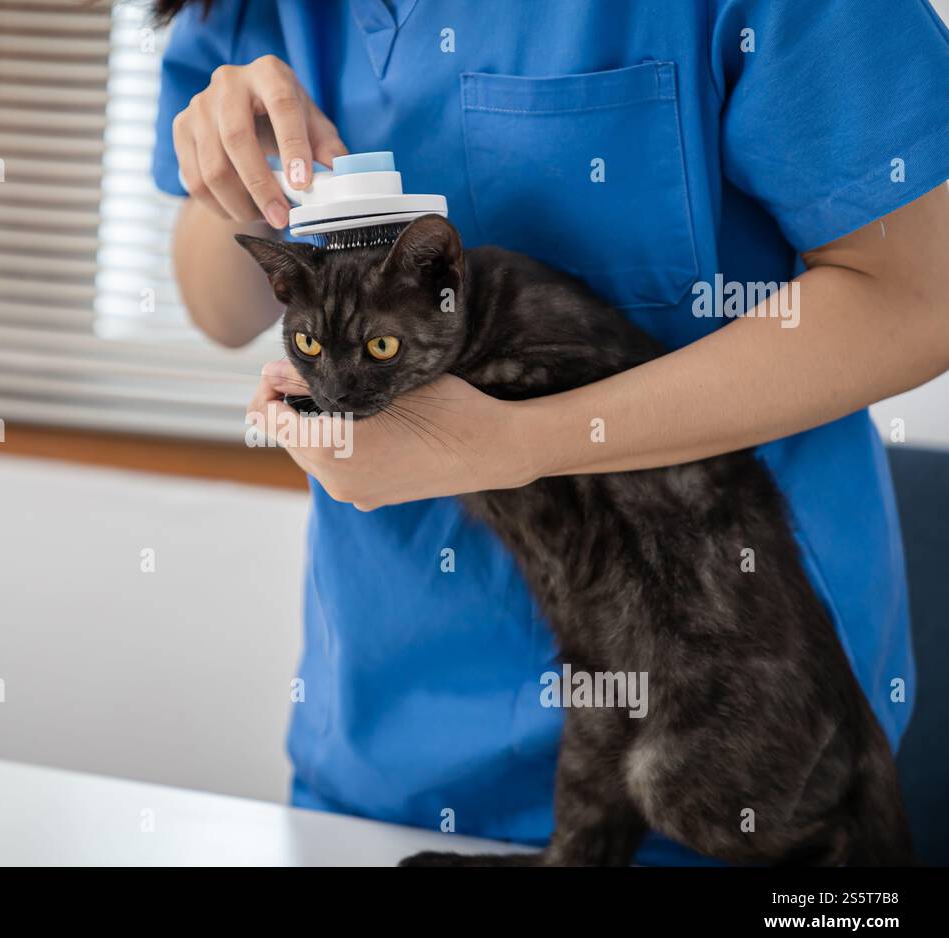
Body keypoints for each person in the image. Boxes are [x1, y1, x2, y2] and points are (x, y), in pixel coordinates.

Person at [151, 0, 949, 863]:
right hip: (388, 753)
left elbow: (918, 293)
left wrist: (523, 443)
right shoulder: (247, 11)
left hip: (726, 730)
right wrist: (236, 179)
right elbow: (219, 308)